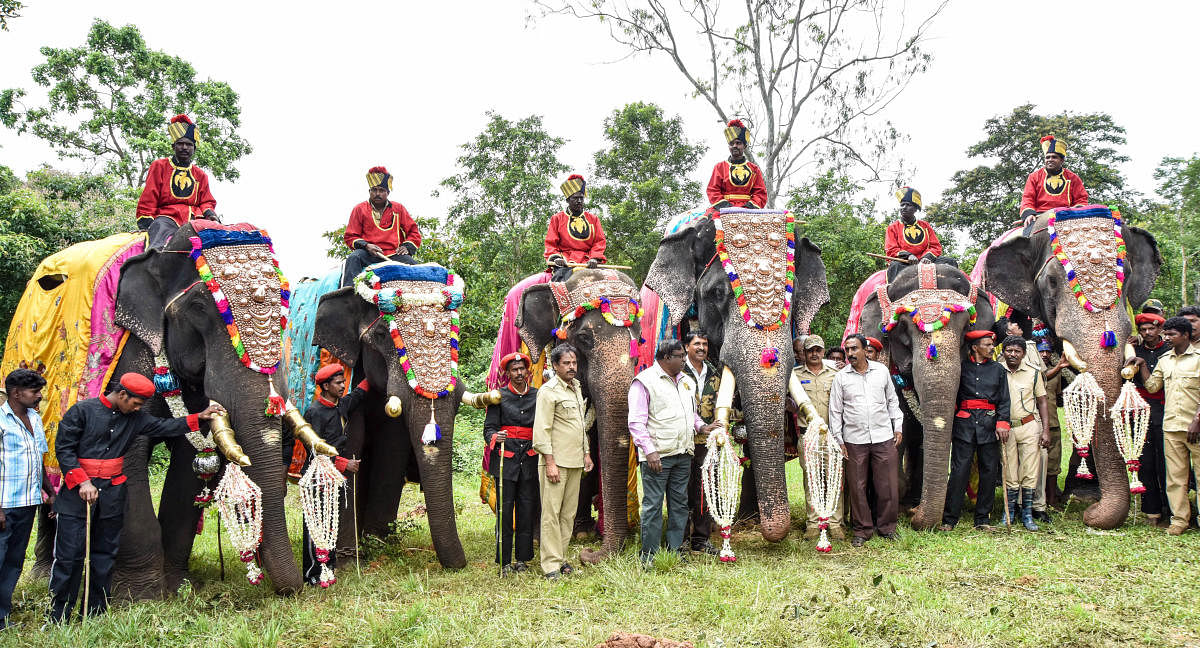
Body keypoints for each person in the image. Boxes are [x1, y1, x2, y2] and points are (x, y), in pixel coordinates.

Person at [48, 373, 224, 622]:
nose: (139, 408)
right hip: (78, 494)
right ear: (122, 394)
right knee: (70, 554)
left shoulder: (136, 418)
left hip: (112, 494)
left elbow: (165, 427)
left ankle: (96, 611)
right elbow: (63, 448)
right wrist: (83, 481)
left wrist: (199, 418)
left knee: (105, 553)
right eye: (136, 403)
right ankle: (58, 615)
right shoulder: (81, 411)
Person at [629, 340, 720, 565]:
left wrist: (702, 427)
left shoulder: (686, 382)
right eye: (680, 356)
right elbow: (636, 422)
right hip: (658, 456)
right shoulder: (645, 381)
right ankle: (649, 555)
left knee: (679, 504)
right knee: (653, 504)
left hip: (683, 453)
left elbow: (691, 413)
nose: (683, 360)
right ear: (666, 357)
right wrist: (649, 452)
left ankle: (675, 550)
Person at [287, 364, 364, 586]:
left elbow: (359, 393)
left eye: (343, 382)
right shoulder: (315, 412)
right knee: (315, 525)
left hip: (333, 478)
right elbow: (314, 449)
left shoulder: (341, 405)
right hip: (316, 477)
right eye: (338, 383)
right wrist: (344, 464)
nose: (343, 386)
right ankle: (312, 574)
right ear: (325, 386)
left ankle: (328, 569)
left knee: (330, 523)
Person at [1127, 317, 1200, 536]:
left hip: (1196, 427)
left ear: (1185, 335)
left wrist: (1197, 420)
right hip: (1171, 427)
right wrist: (1140, 365)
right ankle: (1179, 521)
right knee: (1175, 477)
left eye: (1171, 335)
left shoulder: (1198, 358)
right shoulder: (1165, 359)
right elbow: (1151, 386)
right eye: (1166, 334)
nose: (1166, 338)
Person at [828, 334, 904, 547]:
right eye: (848, 350)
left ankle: (887, 528)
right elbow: (835, 411)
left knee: (887, 484)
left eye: (854, 349)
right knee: (858, 486)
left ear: (864, 349)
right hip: (854, 439)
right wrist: (839, 440)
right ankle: (862, 530)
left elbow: (892, 401)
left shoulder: (881, 372)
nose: (850, 353)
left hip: (883, 436)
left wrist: (897, 426)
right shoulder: (841, 377)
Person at [532, 344, 593, 579]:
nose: (571, 367)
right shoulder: (548, 392)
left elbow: (579, 425)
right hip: (555, 462)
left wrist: (586, 453)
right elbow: (541, 430)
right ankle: (550, 565)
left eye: (574, 363)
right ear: (555, 365)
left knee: (568, 514)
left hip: (575, 461)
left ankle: (562, 558)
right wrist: (549, 462)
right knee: (551, 514)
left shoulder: (576, 388)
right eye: (566, 363)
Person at [941, 331, 1011, 532]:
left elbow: (1004, 400)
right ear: (974, 347)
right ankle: (950, 518)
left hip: (989, 426)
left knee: (989, 472)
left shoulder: (998, 369)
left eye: (992, 344)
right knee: (959, 471)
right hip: (965, 425)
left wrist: (1003, 423)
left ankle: (982, 518)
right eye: (987, 344)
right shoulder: (961, 368)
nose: (991, 348)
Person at [1, 369, 53, 630]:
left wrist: (50, 494)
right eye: (35, 392)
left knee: (13, 561)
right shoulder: (0, 420)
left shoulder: (34, 417)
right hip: (4, 506)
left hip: (27, 503)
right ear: (16, 393)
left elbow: (39, 460)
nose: (39, 396)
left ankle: (2, 616)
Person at [484, 353, 540, 574]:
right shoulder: (498, 397)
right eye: (514, 369)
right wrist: (496, 437)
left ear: (527, 371)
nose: (519, 373)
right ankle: (504, 560)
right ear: (507, 373)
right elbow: (488, 429)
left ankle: (522, 559)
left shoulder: (538, 395)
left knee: (527, 510)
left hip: (530, 460)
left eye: (522, 369)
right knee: (505, 512)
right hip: (505, 462)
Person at [136, 114, 219, 249]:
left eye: (189, 144)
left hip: (194, 219)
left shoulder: (200, 174)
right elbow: (149, 196)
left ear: (194, 148)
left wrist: (210, 214)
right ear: (173, 146)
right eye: (180, 144)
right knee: (157, 245)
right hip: (166, 217)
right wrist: (146, 221)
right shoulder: (160, 166)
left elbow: (206, 201)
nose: (185, 147)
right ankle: (154, 265)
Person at [793, 335, 845, 540]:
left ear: (823, 352)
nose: (814, 354)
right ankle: (813, 524)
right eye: (810, 350)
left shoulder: (836, 373)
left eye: (818, 350)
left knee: (834, 481)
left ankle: (835, 523)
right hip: (808, 436)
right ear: (803, 353)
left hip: (831, 435)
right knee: (811, 480)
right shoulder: (795, 375)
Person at [341, 166, 423, 286]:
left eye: (381, 190)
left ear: (388, 193)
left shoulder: (398, 208)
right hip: (367, 254)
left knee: (414, 268)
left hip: (394, 254)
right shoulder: (359, 209)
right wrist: (367, 246)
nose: (377, 194)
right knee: (353, 258)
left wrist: (407, 247)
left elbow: (414, 232)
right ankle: (348, 294)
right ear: (369, 192)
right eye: (374, 190)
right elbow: (350, 236)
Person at [1000, 336, 1049, 531]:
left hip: (1029, 426)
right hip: (1006, 428)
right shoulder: (997, 371)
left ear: (1024, 354)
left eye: (1017, 351)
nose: (1012, 354)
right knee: (1010, 471)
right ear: (1003, 352)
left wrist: (1045, 430)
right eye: (1009, 350)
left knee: (1030, 470)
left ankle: (1027, 514)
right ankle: (1009, 512)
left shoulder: (1033, 373)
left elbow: (1042, 401)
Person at [679, 330, 721, 555]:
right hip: (683, 439)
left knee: (705, 489)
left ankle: (701, 539)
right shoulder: (677, 369)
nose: (702, 348)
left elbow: (723, 404)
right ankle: (681, 539)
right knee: (682, 490)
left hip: (707, 441)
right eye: (697, 344)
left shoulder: (715, 373)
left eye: (705, 344)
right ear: (687, 347)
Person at [1130, 313, 1171, 525]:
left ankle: (1171, 507)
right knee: (1145, 461)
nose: (1147, 333)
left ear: (1160, 330)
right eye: (1143, 330)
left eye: (1151, 329)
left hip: (1165, 410)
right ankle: (1151, 510)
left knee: (1166, 460)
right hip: (1141, 411)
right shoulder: (1135, 351)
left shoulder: (1170, 352)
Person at [544, 174, 607, 281]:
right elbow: (551, 243)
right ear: (567, 200)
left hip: (588, 261)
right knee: (560, 282)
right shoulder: (557, 218)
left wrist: (594, 258)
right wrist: (557, 258)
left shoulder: (593, 219)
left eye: (581, 198)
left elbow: (599, 242)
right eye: (575, 198)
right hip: (565, 261)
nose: (579, 201)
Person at [1019, 135, 1089, 230]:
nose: (1050, 160)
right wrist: (1029, 214)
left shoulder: (1073, 178)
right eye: (1047, 157)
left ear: (1062, 160)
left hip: (1066, 217)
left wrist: (1074, 214)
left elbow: (1081, 199)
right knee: (1025, 239)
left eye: (1054, 157)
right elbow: (1028, 198)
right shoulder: (1034, 176)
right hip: (1039, 217)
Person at [1036, 342, 1072, 514]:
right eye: (1041, 351)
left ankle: (1052, 499)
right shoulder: (1033, 370)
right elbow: (1043, 377)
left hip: (1053, 423)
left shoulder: (1056, 373)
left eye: (1047, 352)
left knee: (1054, 463)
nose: (1044, 354)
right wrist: (1059, 366)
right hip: (1035, 424)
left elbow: (1057, 397)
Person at [706, 120, 768, 211]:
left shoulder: (754, 169)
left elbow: (760, 193)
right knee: (704, 224)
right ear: (729, 146)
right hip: (723, 208)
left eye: (738, 143)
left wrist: (748, 207)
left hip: (748, 209)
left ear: (745, 146)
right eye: (731, 143)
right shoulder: (720, 167)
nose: (735, 146)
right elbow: (713, 190)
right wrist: (727, 207)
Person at [884, 187, 944, 280]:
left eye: (908, 205)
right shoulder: (893, 227)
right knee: (895, 266)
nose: (904, 208)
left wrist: (927, 257)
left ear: (915, 208)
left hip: (927, 261)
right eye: (902, 205)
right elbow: (891, 249)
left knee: (950, 262)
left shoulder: (925, 226)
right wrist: (909, 256)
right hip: (904, 263)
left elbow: (935, 246)